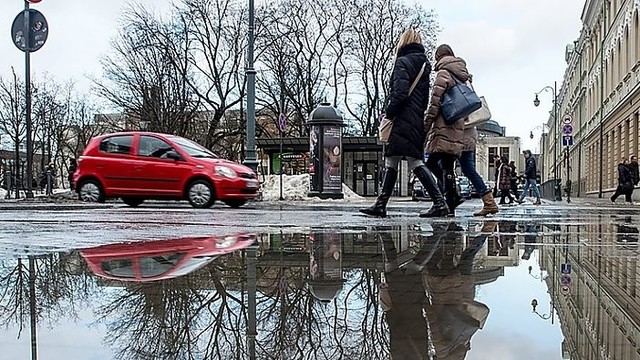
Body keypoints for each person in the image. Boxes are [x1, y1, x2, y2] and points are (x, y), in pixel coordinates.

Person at [360, 28, 448, 218]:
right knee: (393, 159)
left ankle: (439, 202)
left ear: (403, 42)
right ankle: (381, 204)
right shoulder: (424, 66)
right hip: (415, 117)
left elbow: (399, 94)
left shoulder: (402, 62)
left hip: (402, 118)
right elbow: (423, 98)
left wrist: (389, 114)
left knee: (413, 161)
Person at [423, 44, 468, 217]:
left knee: (433, 164)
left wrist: (426, 126)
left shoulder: (443, 74)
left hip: (444, 126)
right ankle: (452, 199)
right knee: (447, 164)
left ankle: (451, 199)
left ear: (439, 56)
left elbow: (435, 102)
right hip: (458, 125)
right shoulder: (462, 75)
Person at [459, 122, 498, 216]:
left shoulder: (456, 108)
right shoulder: (468, 108)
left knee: (439, 165)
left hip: (458, 137)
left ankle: (445, 201)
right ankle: (489, 202)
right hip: (468, 137)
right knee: (469, 170)